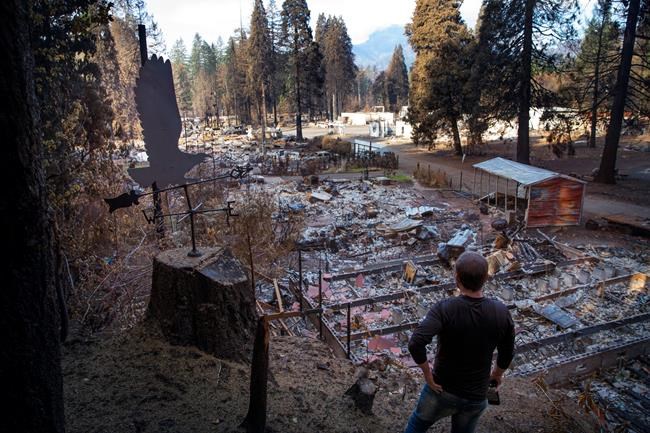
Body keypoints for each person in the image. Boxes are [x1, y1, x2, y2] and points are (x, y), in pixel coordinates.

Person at [404, 251, 515, 433]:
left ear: (457, 278)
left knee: (417, 425)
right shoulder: (501, 311)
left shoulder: (444, 308)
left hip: (441, 390)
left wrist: (428, 375)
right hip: (476, 396)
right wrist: (497, 374)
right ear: (486, 278)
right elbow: (507, 351)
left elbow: (416, 343)